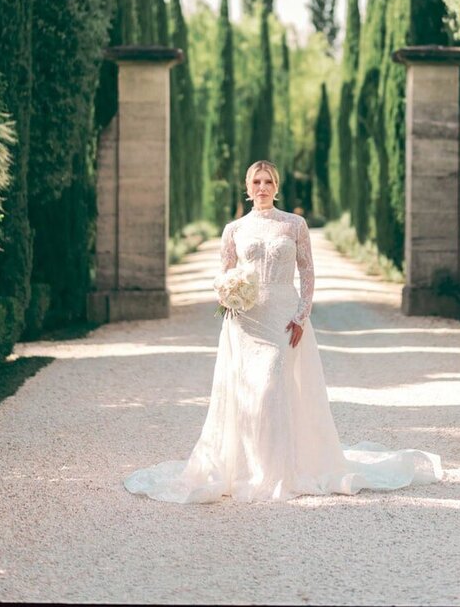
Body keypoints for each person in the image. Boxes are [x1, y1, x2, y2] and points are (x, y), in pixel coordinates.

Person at [123, 159, 443, 503]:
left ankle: (276, 472)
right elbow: (224, 274)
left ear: (276, 187)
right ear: (247, 189)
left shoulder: (294, 224)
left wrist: (302, 314)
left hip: (283, 316)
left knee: (272, 382)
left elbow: (306, 271)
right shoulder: (234, 229)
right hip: (245, 319)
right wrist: (228, 294)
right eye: (256, 182)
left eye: (268, 182)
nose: (262, 188)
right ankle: (246, 467)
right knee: (247, 391)